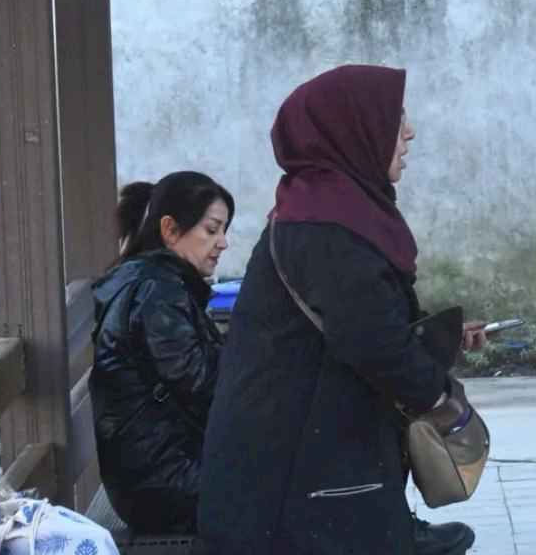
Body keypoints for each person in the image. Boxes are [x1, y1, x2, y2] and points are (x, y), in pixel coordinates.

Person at [196, 65, 486, 555]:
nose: (409, 133)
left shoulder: (325, 210)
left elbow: (359, 320)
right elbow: (373, 343)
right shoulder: (328, 226)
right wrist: (444, 404)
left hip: (305, 462)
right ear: (354, 129)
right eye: (395, 118)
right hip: (299, 479)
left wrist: (439, 340)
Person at [90, 171, 234, 533]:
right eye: (212, 229)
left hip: (149, 474)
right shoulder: (157, 293)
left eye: (224, 230)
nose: (223, 243)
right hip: (165, 485)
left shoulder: (152, 281)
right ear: (170, 229)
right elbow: (205, 389)